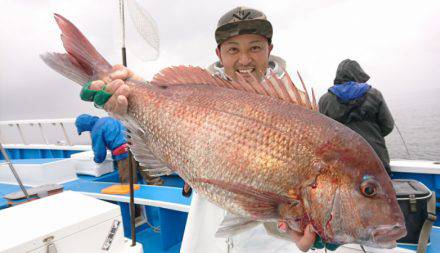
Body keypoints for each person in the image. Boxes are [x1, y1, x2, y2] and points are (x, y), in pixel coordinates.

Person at [80, 6, 324, 252]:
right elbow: (162, 119)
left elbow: (284, 204)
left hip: (268, 244)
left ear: (269, 49)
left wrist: (301, 232)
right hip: (206, 234)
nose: (244, 59)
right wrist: (125, 105)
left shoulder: (299, 112)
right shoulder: (199, 93)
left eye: (255, 47)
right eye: (233, 49)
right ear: (219, 53)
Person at [318, 59, 395, 174]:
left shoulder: (325, 100)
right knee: (381, 191)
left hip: (341, 163)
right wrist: (371, 136)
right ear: (358, 74)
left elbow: (321, 133)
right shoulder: (375, 94)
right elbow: (388, 125)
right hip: (375, 159)